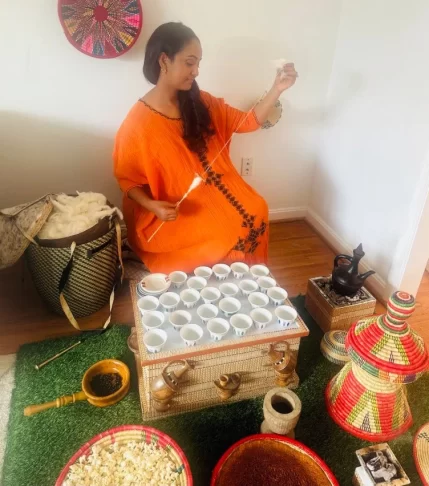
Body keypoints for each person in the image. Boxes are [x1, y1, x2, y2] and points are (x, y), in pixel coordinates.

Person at [114, 22, 297, 273]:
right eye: (190, 63)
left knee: (257, 208)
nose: (196, 71)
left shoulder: (201, 102)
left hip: (218, 190)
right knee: (226, 231)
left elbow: (248, 122)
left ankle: (247, 283)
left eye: (198, 63)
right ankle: (219, 289)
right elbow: (129, 182)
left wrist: (277, 89)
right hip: (173, 211)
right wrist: (154, 206)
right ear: (164, 61)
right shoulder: (137, 123)